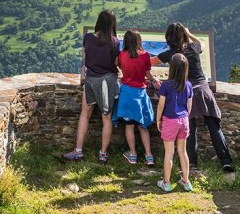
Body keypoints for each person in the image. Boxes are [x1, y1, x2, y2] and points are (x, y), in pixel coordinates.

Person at [156, 23, 235, 172]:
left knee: (190, 129)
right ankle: (226, 161)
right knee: (214, 127)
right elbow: (202, 43)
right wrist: (189, 33)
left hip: (186, 93)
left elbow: (150, 61)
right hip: (204, 91)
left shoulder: (169, 55)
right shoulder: (193, 48)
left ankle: (192, 164)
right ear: (183, 36)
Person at [63, 10, 119, 164]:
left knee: (84, 115)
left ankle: (78, 151)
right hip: (107, 82)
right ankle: (102, 153)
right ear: (112, 24)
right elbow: (115, 64)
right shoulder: (115, 42)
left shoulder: (88, 38)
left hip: (90, 80)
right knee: (106, 118)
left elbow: (85, 59)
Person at [115, 29, 161, 165]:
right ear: (138, 41)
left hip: (127, 94)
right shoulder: (145, 55)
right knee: (143, 126)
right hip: (141, 94)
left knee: (129, 126)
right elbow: (148, 74)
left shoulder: (122, 55)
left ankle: (133, 155)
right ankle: (149, 156)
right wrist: (154, 81)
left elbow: (119, 67)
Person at [156, 53, 193, 192]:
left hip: (170, 120)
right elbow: (189, 105)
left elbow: (161, 105)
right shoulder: (188, 85)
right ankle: (186, 181)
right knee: (183, 152)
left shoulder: (166, 85)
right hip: (184, 120)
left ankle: (166, 183)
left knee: (169, 153)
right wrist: (185, 117)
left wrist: (158, 119)